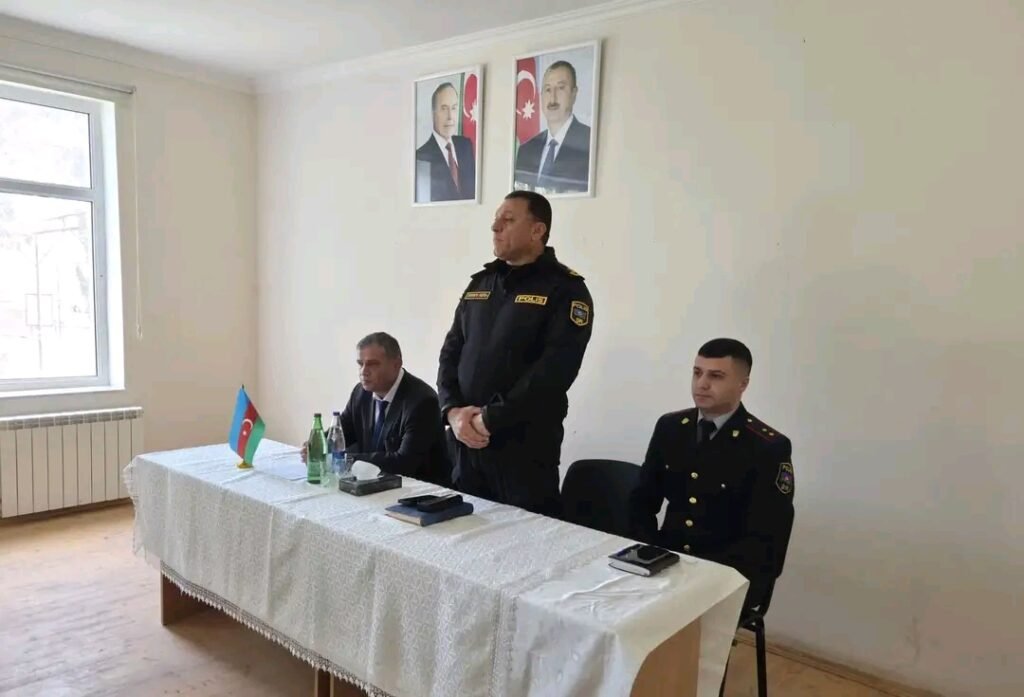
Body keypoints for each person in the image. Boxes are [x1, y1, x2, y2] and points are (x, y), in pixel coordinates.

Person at [437, 191, 594, 516]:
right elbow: (450, 353)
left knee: (524, 541)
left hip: (523, 452)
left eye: (508, 220)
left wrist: (490, 418)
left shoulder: (565, 289)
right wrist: (452, 411)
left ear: (537, 230)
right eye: (496, 219)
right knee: (462, 536)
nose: (495, 227)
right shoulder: (481, 284)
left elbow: (553, 373)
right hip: (466, 446)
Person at [629, 338, 795, 609]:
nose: (702, 384)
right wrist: (648, 552)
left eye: (716, 376)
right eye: (697, 373)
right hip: (665, 561)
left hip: (725, 576)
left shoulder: (767, 447)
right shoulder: (671, 427)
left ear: (743, 384)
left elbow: (766, 539)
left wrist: (706, 582)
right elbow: (642, 500)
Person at [302, 332, 449, 486]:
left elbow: (404, 462)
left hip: (419, 490)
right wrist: (318, 447)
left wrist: (344, 460)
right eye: (360, 364)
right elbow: (343, 432)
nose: (363, 371)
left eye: (372, 364)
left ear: (396, 364)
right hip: (372, 484)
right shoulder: (360, 393)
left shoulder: (422, 401)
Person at [513, 60, 592, 194]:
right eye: (548, 89)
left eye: (560, 88)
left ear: (574, 93)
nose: (552, 98)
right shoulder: (526, 150)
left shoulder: (589, 141)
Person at [416, 82, 475, 202]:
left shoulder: (465, 145)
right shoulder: (421, 156)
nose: (450, 117)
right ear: (433, 114)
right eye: (444, 109)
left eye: (453, 108)